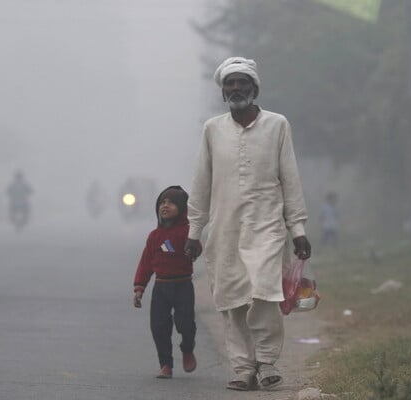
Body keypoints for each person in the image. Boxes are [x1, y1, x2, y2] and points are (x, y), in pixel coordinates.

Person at [184, 57, 311, 391]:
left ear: (255, 88)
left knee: (265, 292)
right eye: (230, 83)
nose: (236, 88)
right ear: (223, 90)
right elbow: (202, 183)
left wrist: (297, 229)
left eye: (242, 82)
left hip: (268, 226)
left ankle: (267, 360)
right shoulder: (213, 129)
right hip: (225, 230)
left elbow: (290, 177)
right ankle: (243, 368)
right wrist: (194, 231)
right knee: (232, 299)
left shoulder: (277, 125)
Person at [133, 186, 200, 379]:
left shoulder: (188, 232)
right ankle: (165, 364)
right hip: (161, 287)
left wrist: (193, 248)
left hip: (183, 286)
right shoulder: (155, 236)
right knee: (159, 327)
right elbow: (146, 263)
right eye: (162, 202)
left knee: (185, 324)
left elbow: (198, 247)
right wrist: (139, 287)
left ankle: (187, 348)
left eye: (171, 202)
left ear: (182, 208)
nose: (165, 205)